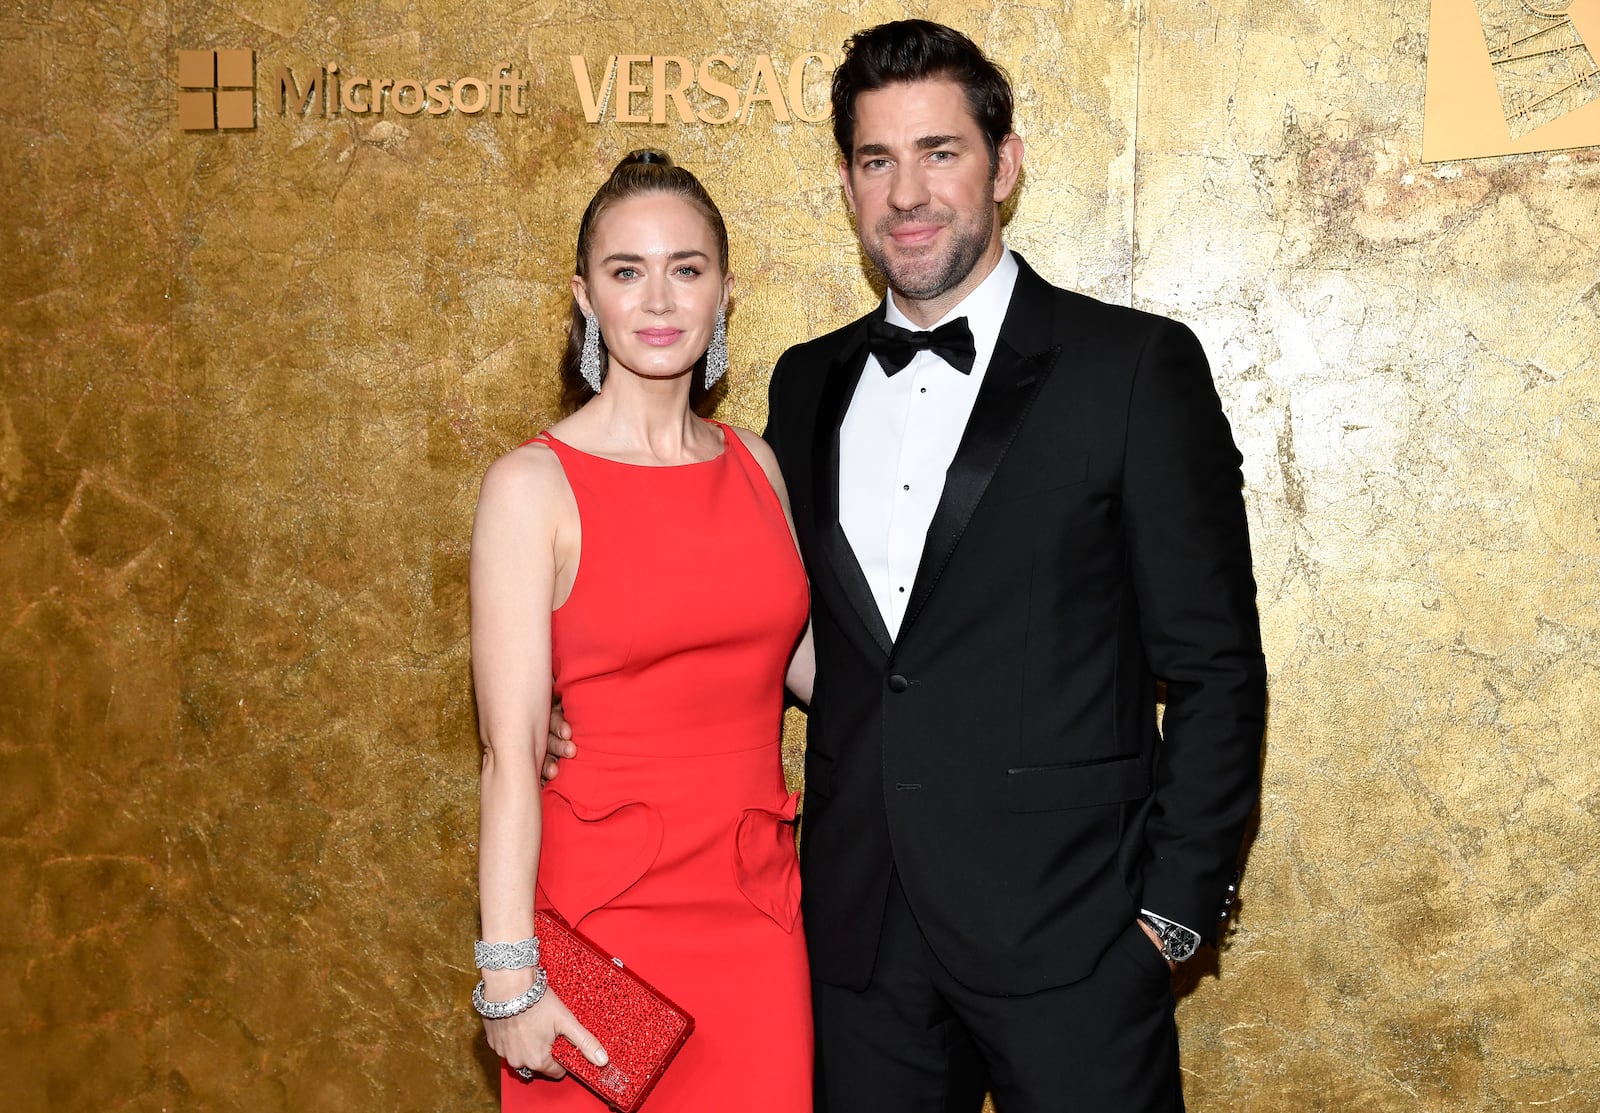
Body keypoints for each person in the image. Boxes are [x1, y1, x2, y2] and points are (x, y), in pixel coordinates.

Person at [758, 20, 1267, 1113]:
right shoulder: (802, 387)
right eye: (875, 159)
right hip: (860, 952)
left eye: (940, 152)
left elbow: (1216, 667)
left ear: (1006, 165)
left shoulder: (1132, 369)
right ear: (846, 181)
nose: (908, 192)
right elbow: (804, 642)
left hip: (1076, 944)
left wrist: (1167, 918)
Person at [469, 149, 814, 1113]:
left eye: (687, 268)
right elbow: (508, 755)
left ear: (725, 291)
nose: (658, 299)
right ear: (585, 296)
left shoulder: (758, 465)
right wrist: (508, 975)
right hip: (601, 921)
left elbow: (828, 672)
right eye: (627, 271)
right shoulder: (531, 486)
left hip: (757, 917)